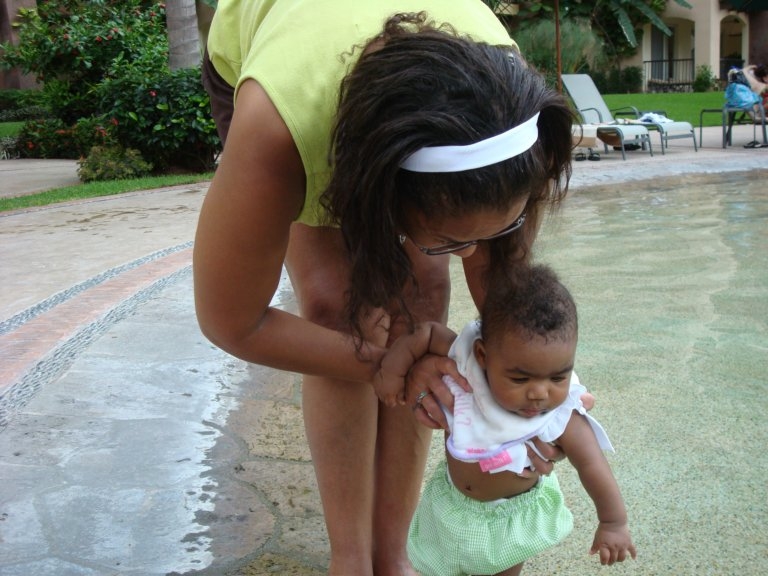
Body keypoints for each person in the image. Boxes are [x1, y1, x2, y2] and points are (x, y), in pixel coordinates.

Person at [194, 2, 574, 574]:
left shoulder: (513, 120)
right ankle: (350, 559)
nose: (471, 256)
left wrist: (518, 399)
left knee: (423, 296)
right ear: (379, 198)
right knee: (334, 308)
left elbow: (507, 305)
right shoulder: (277, 128)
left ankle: (393, 555)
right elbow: (233, 321)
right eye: (448, 239)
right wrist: (382, 363)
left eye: (498, 227)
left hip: (444, 112)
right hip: (291, 68)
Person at [377, 265, 635, 576]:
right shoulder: (467, 363)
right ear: (483, 356)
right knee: (434, 566)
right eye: (520, 378)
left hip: (510, 520)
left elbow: (593, 465)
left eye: (558, 376)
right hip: (452, 505)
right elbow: (427, 332)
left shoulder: (561, 415)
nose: (539, 394)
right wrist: (394, 367)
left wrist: (613, 522)